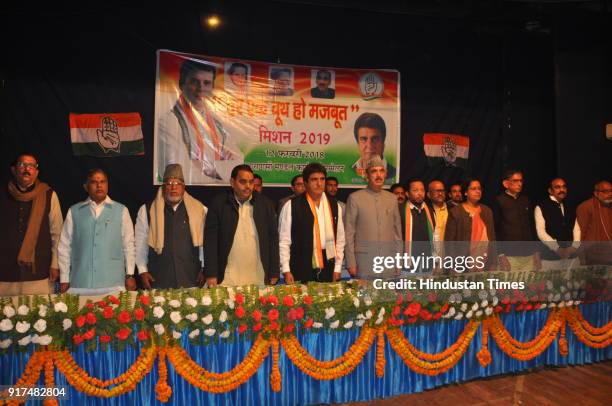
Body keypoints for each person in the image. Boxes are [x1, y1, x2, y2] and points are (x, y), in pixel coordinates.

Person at [157, 59, 236, 184]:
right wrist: (222, 170)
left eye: (207, 83)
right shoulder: (169, 121)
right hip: (185, 193)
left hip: (219, 193)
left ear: (212, 87)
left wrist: (207, 169)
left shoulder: (219, 126)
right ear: (182, 84)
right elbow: (177, 171)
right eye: (194, 82)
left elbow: (238, 166)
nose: (201, 88)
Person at [58, 169, 135, 294]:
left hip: (113, 283)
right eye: (94, 182)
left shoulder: (121, 210)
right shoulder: (74, 211)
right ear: (86, 187)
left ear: (107, 185)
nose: (99, 185)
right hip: (81, 283)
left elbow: (129, 245)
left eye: (103, 182)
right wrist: (64, 278)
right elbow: (64, 246)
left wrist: (130, 274)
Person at [204, 165, 279, 286]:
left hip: (257, 274)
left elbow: (273, 239)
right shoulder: (219, 204)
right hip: (227, 276)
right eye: (243, 182)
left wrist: (274, 271)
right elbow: (211, 241)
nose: (248, 186)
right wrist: (211, 273)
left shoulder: (265, 204)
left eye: (251, 182)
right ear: (232, 182)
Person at [135, 164, 207, 289]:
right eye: (169, 183)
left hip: (191, 277)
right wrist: (142, 270)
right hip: (159, 278)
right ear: (163, 187)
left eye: (178, 183)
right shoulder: (147, 210)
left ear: (184, 187)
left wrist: (205, 268)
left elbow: (205, 244)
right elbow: (140, 243)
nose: (174, 187)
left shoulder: (200, 209)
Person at [0, 154, 63, 296]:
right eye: (22, 165)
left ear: (36, 172)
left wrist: (55, 264)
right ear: (14, 169)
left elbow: (57, 233)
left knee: (38, 316)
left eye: (31, 166)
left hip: (38, 272)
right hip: (4, 274)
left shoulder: (49, 195)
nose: (26, 169)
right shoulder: (2, 195)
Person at [279, 163, 345, 283]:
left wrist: (338, 267)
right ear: (305, 183)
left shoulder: (335, 205)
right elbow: (284, 241)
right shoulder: (291, 206)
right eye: (314, 179)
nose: (319, 183)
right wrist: (286, 269)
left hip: (329, 264)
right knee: (303, 301)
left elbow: (340, 239)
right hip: (301, 263)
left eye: (322, 179)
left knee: (329, 301)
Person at [345, 157, 402, 280]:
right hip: (364, 263)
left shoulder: (392, 199)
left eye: (381, 171)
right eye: (374, 171)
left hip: (388, 262)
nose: (378, 175)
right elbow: (349, 234)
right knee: (366, 298)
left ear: (385, 174)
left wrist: (399, 260)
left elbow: (397, 233)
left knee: (389, 298)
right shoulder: (355, 198)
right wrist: (351, 262)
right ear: (366, 175)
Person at [491, 169, 540, 271]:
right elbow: (496, 230)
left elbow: (531, 227)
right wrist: (501, 255)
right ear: (506, 183)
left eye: (521, 181)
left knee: (530, 286)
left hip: (529, 255)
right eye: (515, 181)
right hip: (509, 256)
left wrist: (536, 251)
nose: (520, 184)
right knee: (512, 286)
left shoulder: (525, 200)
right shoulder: (499, 201)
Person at [444, 178, 496, 272]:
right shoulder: (456, 212)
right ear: (466, 192)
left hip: (484, 261)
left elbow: (492, 238)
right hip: (463, 262)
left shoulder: (487, 211)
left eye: (479, 189)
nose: (477, 191)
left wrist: (493, 262)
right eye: (473, 189)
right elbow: (449, 241)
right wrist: (452, 264)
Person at [534, 178, 581, 270]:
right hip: (551, 258)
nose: (561, 190)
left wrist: (574, 247)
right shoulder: (541, 206)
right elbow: (541, 232)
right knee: (552, 284)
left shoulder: (570, 205)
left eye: (564, 187)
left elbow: (576, 228)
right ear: (550, 191)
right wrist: (557, 248)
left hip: (572, 256)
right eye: (557, 187)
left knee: (575, 283)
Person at [400, 179, 434, 272]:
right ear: (407, 193)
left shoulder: (430, 210)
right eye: (415, 190)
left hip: (427, 262)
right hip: (407, 264)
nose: (419, 193)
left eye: (422, 190)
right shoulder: (400, 211)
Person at [576, 180, 612, 265]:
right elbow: (580, 234)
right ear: (596, 193)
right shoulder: (585, 207)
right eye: (605, 191)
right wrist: (581, 257)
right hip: (594, 256)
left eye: (611, 191)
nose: (610, 194)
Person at [352, 112, 396, 179]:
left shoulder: (393, 173)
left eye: (375, 139)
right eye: (363, 139)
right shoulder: (350, 171)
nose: (369, 145)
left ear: (383, 143)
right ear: (358, 144)